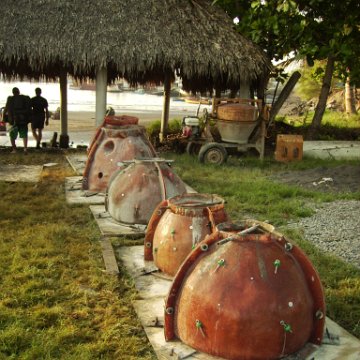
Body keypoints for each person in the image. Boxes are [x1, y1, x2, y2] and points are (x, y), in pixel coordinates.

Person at [5, 87, 31, 154]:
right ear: (18, 92)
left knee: (12, 135)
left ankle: (14, 149)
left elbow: (6, 108)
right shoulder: (24, 98)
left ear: (13, 92)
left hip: (14, 119)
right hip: (23, 119)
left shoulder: (10, 99)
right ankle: (25, 149)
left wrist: (4, 117)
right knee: (24, 134)